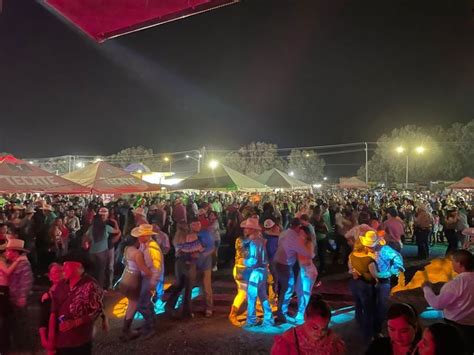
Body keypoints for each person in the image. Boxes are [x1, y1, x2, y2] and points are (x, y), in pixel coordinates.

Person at [49, 256, 105, 355]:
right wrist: (51, 335)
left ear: (78, 266)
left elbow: (96, 311)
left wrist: (75, 323)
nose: (63, 268)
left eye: (66, 265)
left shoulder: (90, 285)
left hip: (80, 341)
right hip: (61, 340)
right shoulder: (61, 285)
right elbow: (54, 310)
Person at [422, 249, 474, 353]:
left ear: (460, 264)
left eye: (453, 261)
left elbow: (437, 304)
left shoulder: (456, 283)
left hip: (455, 324)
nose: (451, 264)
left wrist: (426, 288)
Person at [361, 230, 405, 336]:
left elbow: (397, 257)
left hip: (383, 281)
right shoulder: (363, 250)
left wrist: (396, 268)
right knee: (369, 304)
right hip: (368, 281)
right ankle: (369, 327)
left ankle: (377, 329)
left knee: (382, 305)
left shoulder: (385, 250)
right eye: (368, 245)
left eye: (371, 245)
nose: (369, 247)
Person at [271, 296, 345, 355]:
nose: (319, 333)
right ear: (305, 317)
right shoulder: (288, 342)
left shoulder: (333, 341)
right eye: (315, 327)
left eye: (324, 329)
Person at [273, 218, 314, 323]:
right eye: (300, 229)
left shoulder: (285, 233)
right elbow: (308, 254)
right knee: (288, 289)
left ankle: (284, 311)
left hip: (281, 263)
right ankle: (282, 313)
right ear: (297, 227)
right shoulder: (295, 238)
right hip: (285, 265)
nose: (300, 232)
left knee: (292, 289)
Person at [116, 237, 152, 341]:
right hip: (133, 282)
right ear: (136, 241)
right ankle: (126, 331)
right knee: (133, 305)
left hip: (125, 279)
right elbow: (143, 269)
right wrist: (154, 273)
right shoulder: (137, 253)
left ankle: (126, 330)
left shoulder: (127, 248)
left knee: (131, 305)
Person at [240, 217, 273, 327]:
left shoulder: (253, 242)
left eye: (248, 228)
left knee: (252, 296)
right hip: (263, 270)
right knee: (263, 295)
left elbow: (253, 260)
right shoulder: (260, 240)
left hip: (255, 271)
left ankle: (251, 320)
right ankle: (268, 318)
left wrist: (244, 261)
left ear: (252, 229)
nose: (246, 229)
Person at [166, 220, 202, 319]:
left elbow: (180, 249)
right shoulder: (191, 236)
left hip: (179, 263)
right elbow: (198, 247)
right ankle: (187, 311)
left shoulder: (177, 237)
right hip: (189, 263)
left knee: (180, 285)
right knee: (188, 288)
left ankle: (169, 305)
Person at [133, 224, 162, 337]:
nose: (138, 238)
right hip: (147, 277)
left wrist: (153, 281)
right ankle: (151, 323)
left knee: (142, 304)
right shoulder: (145, 245)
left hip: (149, 278)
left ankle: (150, 326)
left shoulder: (151, 248)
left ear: (146, 236)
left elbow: (157, 266)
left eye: (140, 235)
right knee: (146, 302)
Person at [5, 238, 34, 352]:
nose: (7, 253)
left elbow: (26, 281)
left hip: (18, 298)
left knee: (21, 323)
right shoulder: (15, 262)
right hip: (14, 297)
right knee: (16, 322)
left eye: (9, 251)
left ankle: (25, 347)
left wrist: (22, 297)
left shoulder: (23, 264)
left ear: (15, 252)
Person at [348, 237, 377, 341]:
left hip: (355, 283)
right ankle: (367, 334)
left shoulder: (352, 255)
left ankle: (358, 322)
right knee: (368, 309)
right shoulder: (369, 259)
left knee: (358, 304)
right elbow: (374, 274)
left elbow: (350, 270)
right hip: (366, 285)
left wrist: (355, 273)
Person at [0, 242, 27, 354]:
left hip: (5, 291)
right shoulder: (1, 261)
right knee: (4, 318)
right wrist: (18, 260)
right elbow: (7, 272)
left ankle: (6, 344)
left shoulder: (6, 261)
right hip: (1, 290)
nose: (7, 253)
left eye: (9, 250)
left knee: (7, 318)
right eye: (6, 251)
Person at [83, 207, 120, 288]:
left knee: (94, 270)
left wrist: (87, 243)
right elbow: (117, 231)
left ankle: (93, 286)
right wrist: (116, 223)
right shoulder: (105, 227)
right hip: (102, 252)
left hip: (92, 252)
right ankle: (100, 287)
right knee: (101, 271)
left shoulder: (91, 227)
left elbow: (86, 236)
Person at [294, 225, 318, 324]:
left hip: (308, 270)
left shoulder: (309, 243)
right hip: (303, 270)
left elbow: (311, 255)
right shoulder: (299, 242)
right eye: (299, 232)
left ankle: (302, 313)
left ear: (306, 233)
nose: (299, 234)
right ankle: (303, 311)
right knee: (298, 290)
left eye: (301, 232)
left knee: (305, 292)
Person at [39, 263, 64, 355]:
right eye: (53, 273)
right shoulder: (46, 296)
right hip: (51, 335)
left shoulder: (69, 293)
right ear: (50, 277)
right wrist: (43, 336)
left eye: (59, 271)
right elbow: (43, 318)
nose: (56, 275)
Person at [194, 217, 215, 317]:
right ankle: (189, 308)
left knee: (206, 286)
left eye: (198, 224)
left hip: (205, 264)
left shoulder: (205, 234)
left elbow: (212, 248)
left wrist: (202, 254)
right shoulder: (189, 234)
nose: (197, 226)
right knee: (191, 286)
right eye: (194, 224)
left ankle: (209, 307)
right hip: (193, 264)